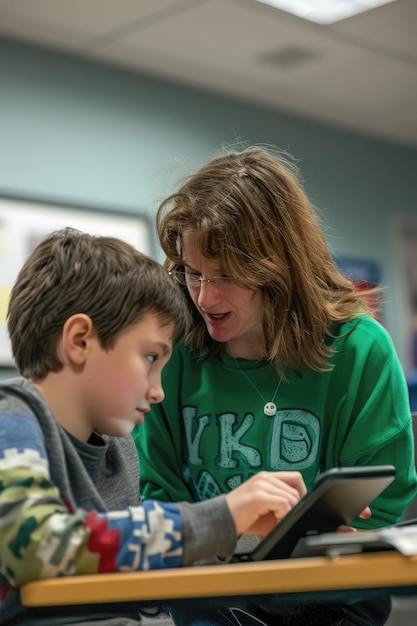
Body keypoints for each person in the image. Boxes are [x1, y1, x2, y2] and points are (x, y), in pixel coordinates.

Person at [133, 145, 417, 626]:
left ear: (278, 266)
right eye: (193, 273)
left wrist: (345, 540)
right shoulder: (175, 347)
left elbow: (384, 491)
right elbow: (155, 484)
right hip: (211, 594)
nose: (204, 297)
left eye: (225, 277)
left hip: (331, 597)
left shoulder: (358, 347)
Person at [0, 227, 309, 626]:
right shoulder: (12, 419)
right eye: (150, 358)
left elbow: (134, 558)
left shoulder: (119, 448)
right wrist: (220, 518)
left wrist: (258, 534)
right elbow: (32, 545)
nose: (159, 391)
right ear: (79, 340)